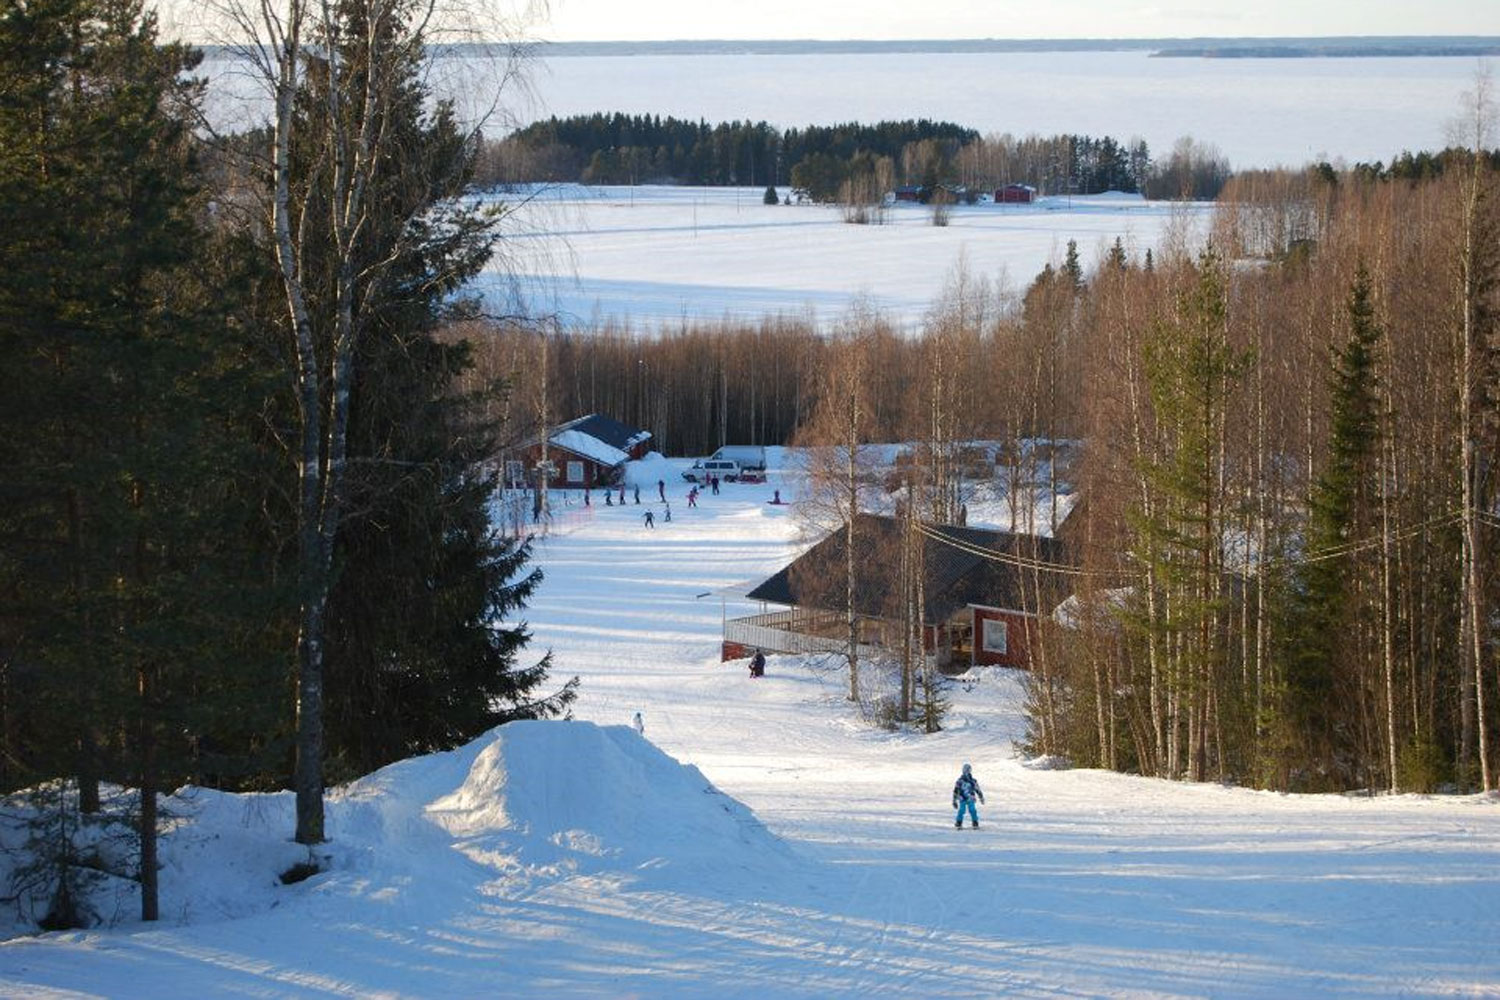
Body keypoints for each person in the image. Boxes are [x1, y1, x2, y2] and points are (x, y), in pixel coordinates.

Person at [952, 762, 984, 829]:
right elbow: (956, 790)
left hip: (970, 798)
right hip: (962, 798)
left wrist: (981, 797)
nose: (966, 772)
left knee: (972, 810)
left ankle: (975, 822)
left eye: (968, 770)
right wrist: (954, 800)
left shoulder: (972, 781)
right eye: (965, 770)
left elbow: (977, 789)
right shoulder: (960, 781)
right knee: (961, 810)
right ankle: (959, 822)